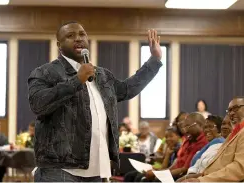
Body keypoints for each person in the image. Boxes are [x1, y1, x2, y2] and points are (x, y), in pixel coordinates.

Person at [28, 21, 163, 182]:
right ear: (59, 44)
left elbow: (128, 89)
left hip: (96, 169)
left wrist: (154, 61)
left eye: (82, 34)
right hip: (59, 169)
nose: (78, 39)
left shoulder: (102, 75)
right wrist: (77, 80)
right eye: (70, 36)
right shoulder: (44, 72)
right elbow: (38, 104)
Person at [184, 97, 244, 182]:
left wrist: (202, 180)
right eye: (229, 110)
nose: (231, 113)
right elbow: (221, 162)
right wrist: (199, 177)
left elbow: (240, 169)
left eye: (236, 108)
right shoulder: (239, 130)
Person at [144, 113, 208, 181]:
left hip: (184, 176)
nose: (185, 130)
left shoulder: (201, 142)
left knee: (155, 179)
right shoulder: (189, 139)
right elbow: (177, 162)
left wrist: (159, 173)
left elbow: (185, 169)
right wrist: (160, 172)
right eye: (183, 126)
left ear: (200, 125)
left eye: (187, 126)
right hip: (175, 172)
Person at [177, 115, 226, 181]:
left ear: (219, 128)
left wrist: (184, 178)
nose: (207, 130)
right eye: (205, 127)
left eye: (211, 127)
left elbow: (207, 172)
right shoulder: (209, 145)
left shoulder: (219, 144)